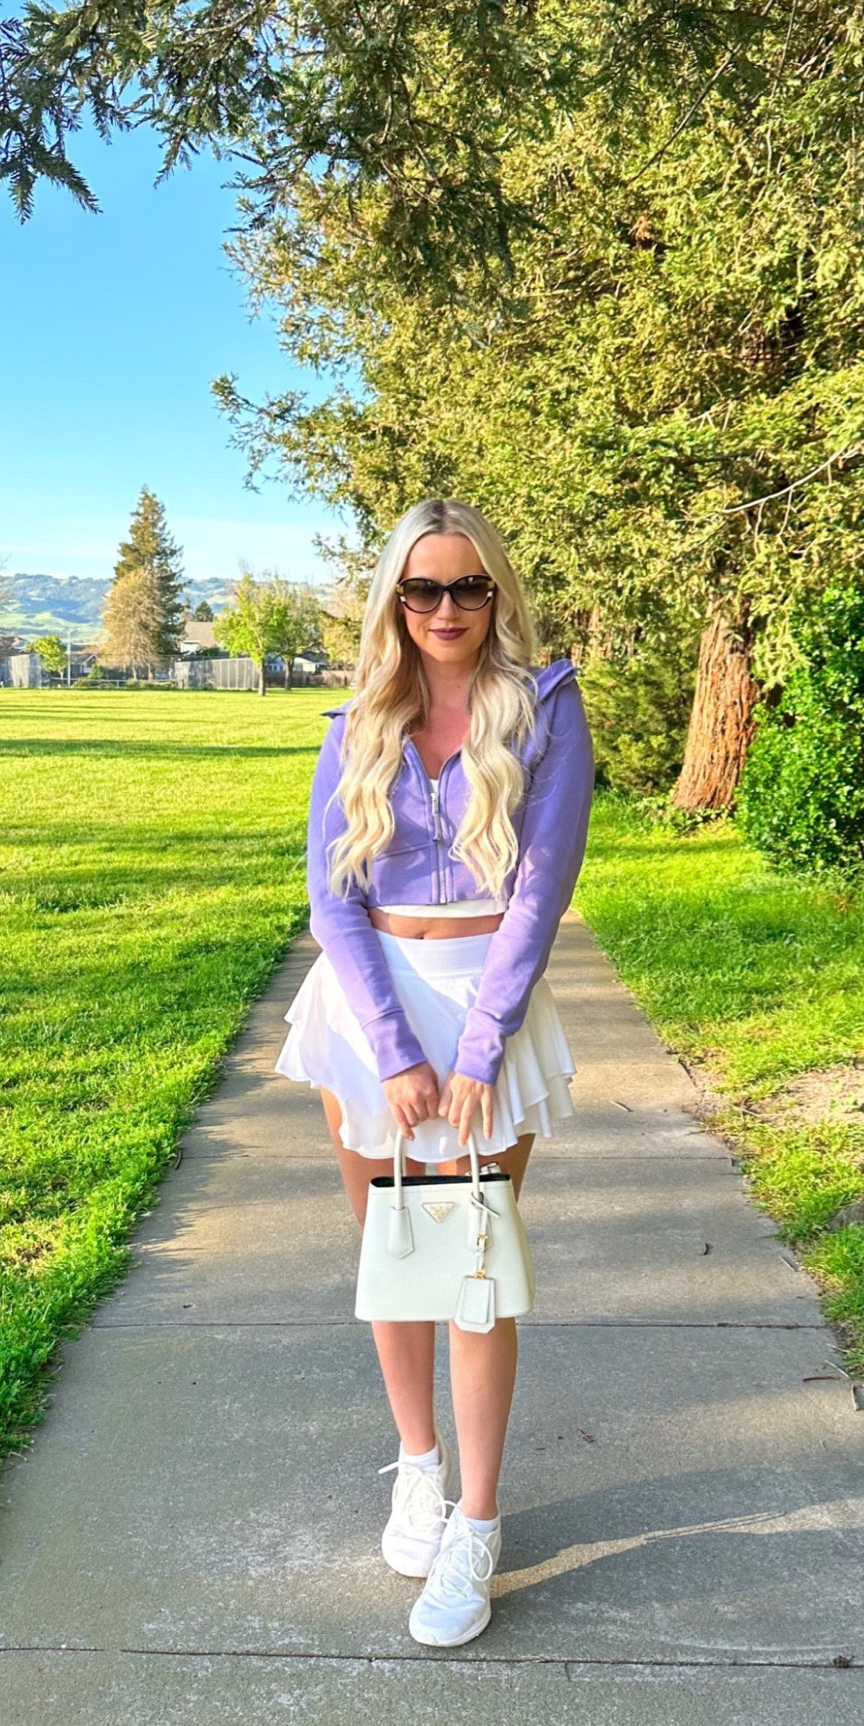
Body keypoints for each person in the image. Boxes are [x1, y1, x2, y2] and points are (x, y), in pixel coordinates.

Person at [276, 498, 593, 1647]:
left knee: (471, 1258)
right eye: (422, 589)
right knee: (390, 1251)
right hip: (368, 1012)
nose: (445, 610)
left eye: (466, 587)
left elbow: (539, 894)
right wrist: (397, 1050)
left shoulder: (544, 708)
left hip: (486, 1006)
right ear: (393, 601)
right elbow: (331, 897)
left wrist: (472, 1052)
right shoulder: (356, 719)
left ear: (494, 594)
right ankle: (416, 1463)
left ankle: (476, 1518)